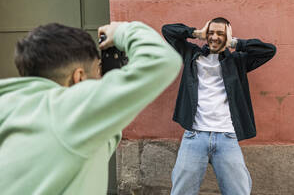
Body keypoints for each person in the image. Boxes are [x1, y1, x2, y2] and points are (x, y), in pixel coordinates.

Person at [0, 21, 182, 194]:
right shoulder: (68, 108)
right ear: (78, 77)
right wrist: (121, 30)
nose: (101, 76)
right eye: (98, 69)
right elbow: (162, 60)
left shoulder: (10, 103)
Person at [162, 17, 276, 195]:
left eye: (220, 33)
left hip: (227, 137)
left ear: (228, 35)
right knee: (181, 192)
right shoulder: (191, 54)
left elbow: (268, 50)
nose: (214, 37)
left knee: (238, 191)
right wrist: (195, 33)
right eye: (211, 32)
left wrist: (234, 43)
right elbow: (167, 30)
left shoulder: (237, 61)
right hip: (194, 135)